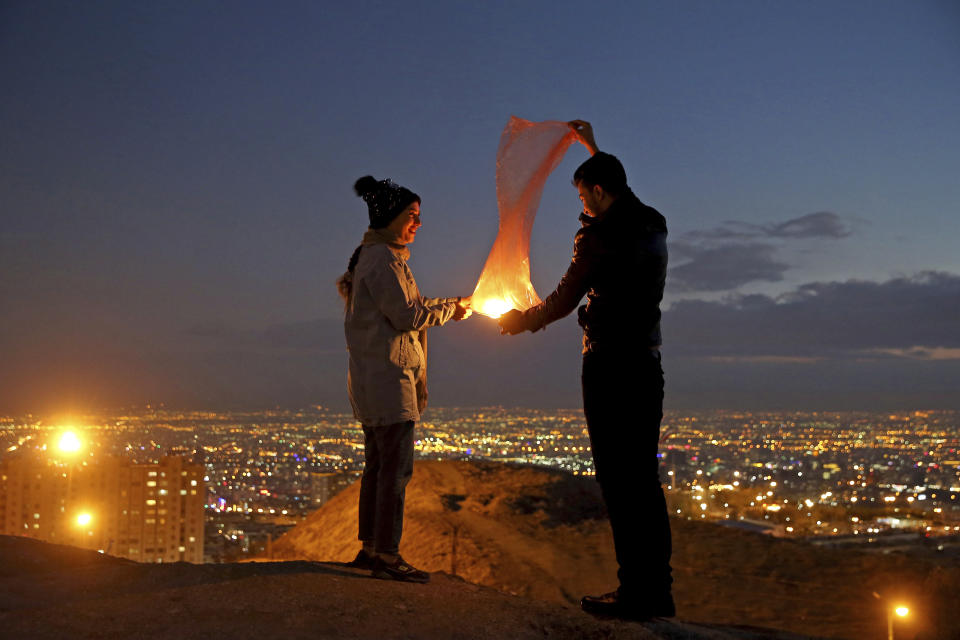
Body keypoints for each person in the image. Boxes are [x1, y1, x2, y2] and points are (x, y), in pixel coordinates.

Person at [498, 121, 674, 620]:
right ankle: (656, 590)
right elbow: (621, 191)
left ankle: (634, 593)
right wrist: (594, 149)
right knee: (643, 479)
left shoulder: (596, 237)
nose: (581, 205)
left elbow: (563, 298)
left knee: (618, 481)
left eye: (584, 195)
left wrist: (519, 323)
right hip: (647, 363)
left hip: (609, 367)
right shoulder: (654, 222)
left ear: (599, 192)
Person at [337, 175, 472, 583]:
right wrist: (452, 311)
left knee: (377, 469)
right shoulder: (383, 261)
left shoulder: (378, 258)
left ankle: (371, 548)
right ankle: (387, 555)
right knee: (394, 472)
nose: (417, 223)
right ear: (391, 217)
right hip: (389, 380)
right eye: (412, 216)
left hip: (375, 378)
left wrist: (450, 305)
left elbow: (407, 307)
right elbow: (409, 316)